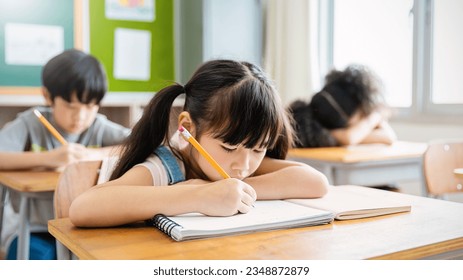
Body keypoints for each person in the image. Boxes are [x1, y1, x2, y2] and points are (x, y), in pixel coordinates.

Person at [69, 59, 329, 228]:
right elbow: (83, 209)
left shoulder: (240, 161)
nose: (245, 164)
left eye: (259, 148)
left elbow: (315, 182)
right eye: (228, 147)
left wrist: (236, 191)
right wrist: (198, 195)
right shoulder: (166, 166)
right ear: (188, 128)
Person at [0, 49, 130, 259]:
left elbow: (140, 145)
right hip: (34, 227)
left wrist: (90, 155)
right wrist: (50, 158)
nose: (80, 116)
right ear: (47, 96)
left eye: (90, 106)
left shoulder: (97, 126)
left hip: (82, 226)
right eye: (70, 105)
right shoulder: (31, 123)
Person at [288, 64, 397, 148]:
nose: (363, 119)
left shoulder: (311, 125)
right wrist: (376, 115)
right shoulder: (332, 134)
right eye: (361, 114)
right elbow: (388, 136)